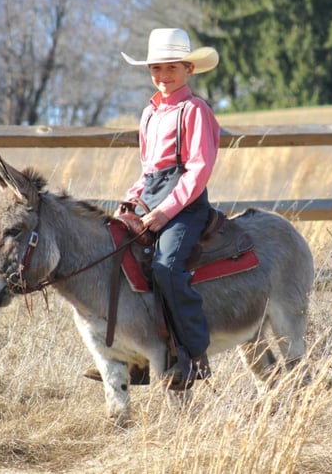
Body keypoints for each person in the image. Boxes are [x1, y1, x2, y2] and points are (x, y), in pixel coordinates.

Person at [120, 27, 221, 390]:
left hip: (186, 205)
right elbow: (149, 171)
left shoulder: (195, 111)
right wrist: (129, 202)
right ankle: (136, 354)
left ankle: (193, 356)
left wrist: (163, 213)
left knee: (166, 267)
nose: (163, 77)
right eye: (156, 70)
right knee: (118, 257)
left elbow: (198, 169)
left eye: (171, 69)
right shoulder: (149, 114)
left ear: (189, 69)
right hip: (151, 196)